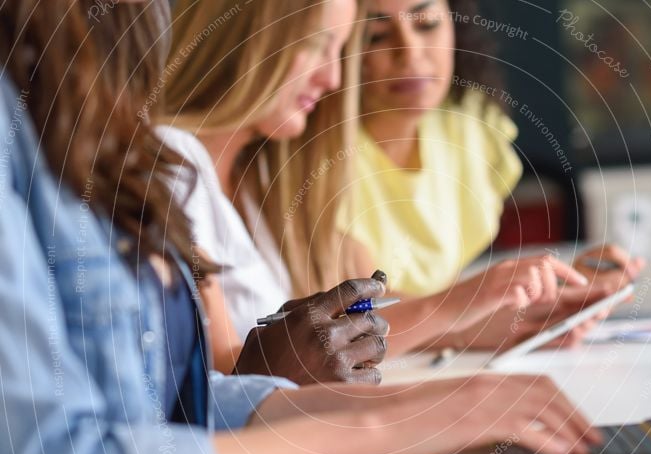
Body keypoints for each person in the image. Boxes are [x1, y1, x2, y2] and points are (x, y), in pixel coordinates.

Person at [0, 0, 600, 454]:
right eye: (325, 47)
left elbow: (179, 403)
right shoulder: (154, 157)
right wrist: (378, 431)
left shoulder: (233, 168)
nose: (338, 78)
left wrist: (419, 399)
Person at [162, 0, 616, 363]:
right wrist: (451, 310)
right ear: (249, 39)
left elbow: (338, 328)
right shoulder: (171, 170)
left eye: (339, 51)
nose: (333, 77)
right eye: (320, 46)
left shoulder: (255, 173)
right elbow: (228, 377)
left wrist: (511, 319)